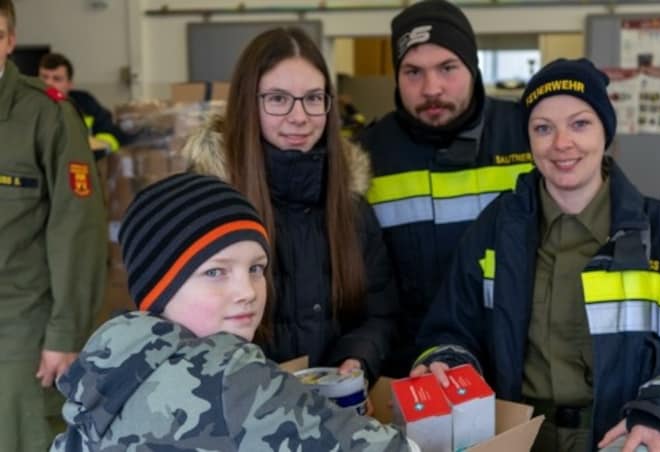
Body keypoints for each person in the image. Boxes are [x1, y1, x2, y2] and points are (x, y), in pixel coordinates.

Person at [412, 58, 660, 452]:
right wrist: (447, 362)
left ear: (605, 133)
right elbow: (450, 328)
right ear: (529, 141)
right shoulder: (495, 229)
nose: (562, 143)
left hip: (624, 439)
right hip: (517, 437)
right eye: (543, 128)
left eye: (580, 124)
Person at [50, 172, 416, 451]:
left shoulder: (114, 357)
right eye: (215, 272)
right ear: (159, 288)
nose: (247, 292)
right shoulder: (227, 374)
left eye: (256, 268)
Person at [183, 27, 398, 386]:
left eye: (314, 98)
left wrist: (357, 358)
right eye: (278, 99)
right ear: (247, 104)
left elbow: (379, 313)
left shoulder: (351, 207)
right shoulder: (205, 206)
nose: (300, 117)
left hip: (330, 412)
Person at [358, 0, 532, 377]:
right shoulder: (366, 156)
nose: (431, 88)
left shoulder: (527, 135)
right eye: (413, 72)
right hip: (413, 372)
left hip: (519, 365)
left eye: (447, 68)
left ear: (473, 68)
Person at [0, 1, 107, 451]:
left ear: (7, 41)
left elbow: (77, 229)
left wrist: (67, 333)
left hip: (21, 327)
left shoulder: (46, 115)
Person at [38, 52, 127, 152]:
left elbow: (111, 135)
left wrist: (94, 146)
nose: (48, 83)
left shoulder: (86, 103)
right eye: (44, 77)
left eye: (57, 79)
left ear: (70, 84)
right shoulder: (26, 105)